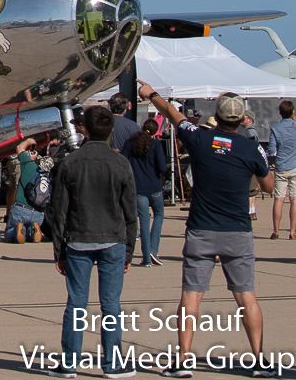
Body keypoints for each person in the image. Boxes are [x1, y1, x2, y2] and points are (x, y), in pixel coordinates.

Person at [139, 83, 276, 378]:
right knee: (246, 297)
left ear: (216, 115)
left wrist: (150, 94)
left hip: (202, 228)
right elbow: (268, 186)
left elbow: (172, 114)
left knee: (191, 296)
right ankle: (259, 360)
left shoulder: (200, 138)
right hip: (237, 231)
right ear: (241, 120)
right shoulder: (251, 148)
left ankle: (184, 360)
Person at [46, 106, 138, 379]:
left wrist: (59, 251)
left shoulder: (70, 162)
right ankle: (112, 364)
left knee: (76, 303)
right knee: (111, 304)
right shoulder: (121, 163)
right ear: (111, 130)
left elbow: (59, 210)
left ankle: (69, 364)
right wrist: (130, 252)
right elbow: (130, 212)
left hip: (79, 239)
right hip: (113, 239)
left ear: (83, 128)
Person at [122, 117, 168, 267]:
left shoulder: (130, 143)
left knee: (143, 219)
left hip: (137, 186)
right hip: (154, 185)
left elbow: (123, 163)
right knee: (159, 214)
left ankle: (146, 256)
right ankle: (153, 250)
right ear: (155, 132)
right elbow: (161, 166)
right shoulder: (156, 144)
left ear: (142, 127)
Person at [4, 137, 46, 244]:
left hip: (21, 209)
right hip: (38, 213)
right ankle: (32, 229)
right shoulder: (46, 173)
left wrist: (28, 142)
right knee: (27, 230)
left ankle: (16, 230)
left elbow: (19, 148)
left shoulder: (28, 164)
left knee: (9, 232)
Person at [268, 100, 296, 240]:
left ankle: (276, 231)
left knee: (279, 199)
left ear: (280, 113)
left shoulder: (276, 129)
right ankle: (292, 231)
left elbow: (272, 151)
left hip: (281, 167)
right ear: (292, 112)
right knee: (294, 199)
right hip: (295, 166)